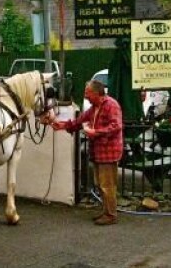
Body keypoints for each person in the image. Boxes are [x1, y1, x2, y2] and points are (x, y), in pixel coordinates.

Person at [48, 79, 123, 226]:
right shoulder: (95, 107)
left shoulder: (111, 105)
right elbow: (79, 121)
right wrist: (61, 125)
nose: (86, 96)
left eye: (87, 93)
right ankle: (106, 211)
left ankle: (111, 215)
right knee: (101, 184)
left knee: (107, 185)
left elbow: (116, 126)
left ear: (96, 93)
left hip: (108, 152)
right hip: (99, 152)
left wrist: (96, 132)